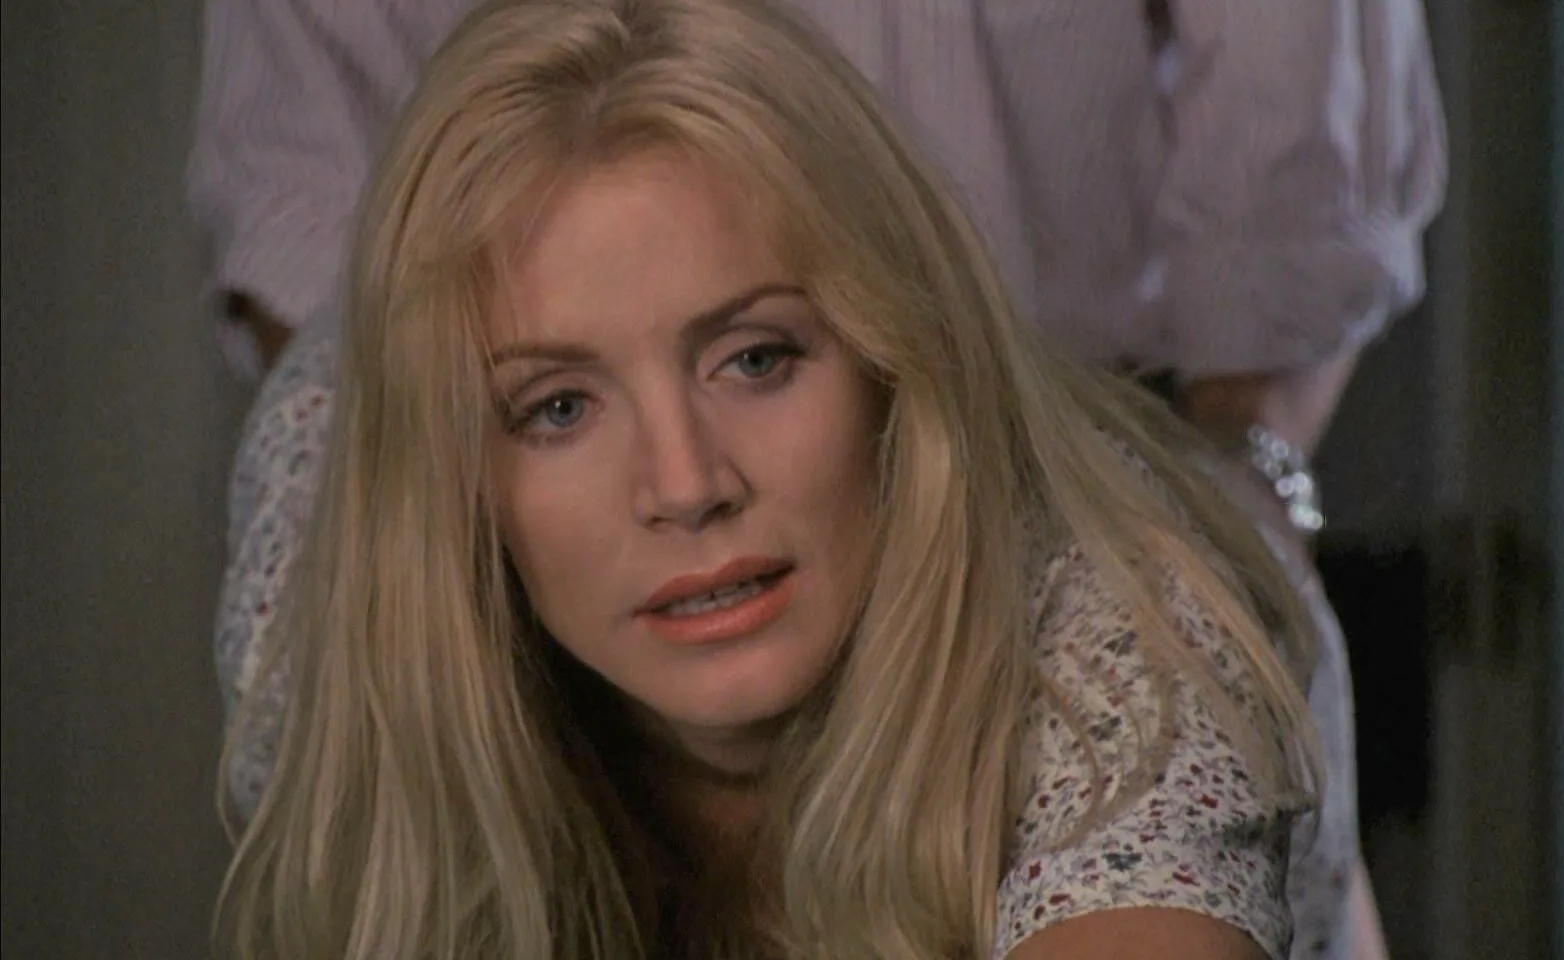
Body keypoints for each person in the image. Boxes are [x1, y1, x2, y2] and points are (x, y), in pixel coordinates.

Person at [189, 0, 1445, 956]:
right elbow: (298, 198)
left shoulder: (1129, 654)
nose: (685, 484)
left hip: (1102, 471)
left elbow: (1308, 142)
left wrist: (1235, 503)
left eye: (758, 358)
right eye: (558, 409)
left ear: (895, 367)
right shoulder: (333, 605)